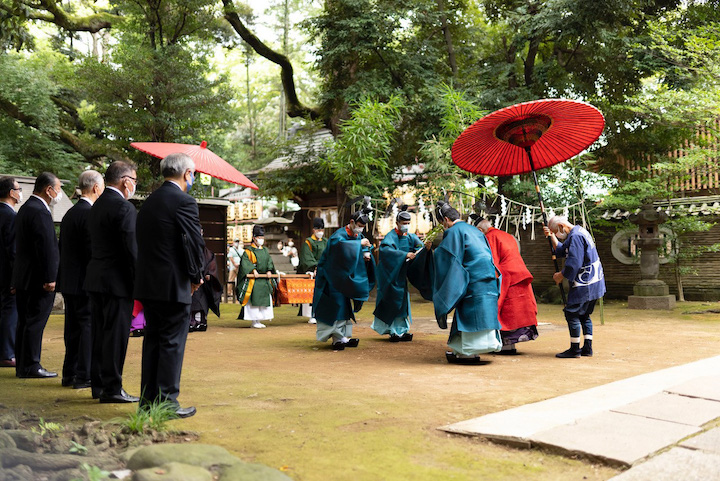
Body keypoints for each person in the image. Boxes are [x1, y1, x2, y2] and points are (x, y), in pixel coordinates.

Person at [135, 153, 205, 418]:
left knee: (153, 340)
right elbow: (194, 243)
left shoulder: (148, 202)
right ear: (187, 173)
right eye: (193, 173)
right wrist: (197, 276)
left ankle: (147, 401)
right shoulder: (184, 201)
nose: (194, 178)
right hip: (173, 283)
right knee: (173, 342)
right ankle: (166, 402)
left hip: (149, 283)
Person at [84, 161, 139, 403]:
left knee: (99, 334)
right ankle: (113, 388)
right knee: (116, 336)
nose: (135, 185)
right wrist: (140, 280)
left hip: (96, 278)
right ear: (126, 180)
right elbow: (132, 250)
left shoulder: (96, 206)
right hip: (117, 282)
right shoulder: (123, 208)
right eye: (135, 181)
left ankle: (98, 385)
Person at [432, 201, 501, 364]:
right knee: (475, 312)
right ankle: (461, 349)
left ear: (446, 220)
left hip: (473, 278)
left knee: (469, 312)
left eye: (442, 222)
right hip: (489, 276)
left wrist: (432, 255)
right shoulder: (474, 230)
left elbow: (448, 257)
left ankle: (468, 353)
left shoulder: (454, 231)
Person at [58, 171, 104, 389]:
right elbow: (91, 250)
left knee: (73, 327)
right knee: (86, 327)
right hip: (85, 280)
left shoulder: (70, 213)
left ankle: (69, 372)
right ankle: (84, 374)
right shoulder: (89, 214)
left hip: (69, 280)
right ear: (95, 188)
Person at [12, 172, 61, 378]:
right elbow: (46, 248)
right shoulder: (40, 211)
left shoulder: (25, 209)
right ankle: (31, 364)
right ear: (48, 189)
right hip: (37, 278)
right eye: (58, 188)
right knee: (35, 322)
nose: (59, 193)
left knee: (24, 321)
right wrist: (50, 277)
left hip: (24, 276)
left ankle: (23, 364)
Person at [312, 207, 375, 350]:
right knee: (335, 307)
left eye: (362, 228)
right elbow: (340, 247)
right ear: (352, 222)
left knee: (345, 307)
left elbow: (361, 249)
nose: (360, 230)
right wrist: (359, 245)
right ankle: (336, 338)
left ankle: (344, 336)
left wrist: (366, 253)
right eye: (359, 226)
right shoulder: (338, 236)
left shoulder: (356, 236)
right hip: (331, 278)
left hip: (344, 279)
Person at [543, 216, 606, 358]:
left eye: (556, 231)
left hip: (585, 283)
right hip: (595, 282)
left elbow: (574, 263)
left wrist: (561, 275)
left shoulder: (576, 236)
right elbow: (560, 250)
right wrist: (551, 236)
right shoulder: (580, 231)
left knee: (572, 313)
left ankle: (575, 349)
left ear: (561, 225)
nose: (557, 234)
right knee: (584, 314)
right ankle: (587, 348)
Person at [477, 219, 538, 355]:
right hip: (520, 271)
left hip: (507, 275)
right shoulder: (506, 235)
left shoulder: (490, 237)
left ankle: (505, 346)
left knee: (506, 311)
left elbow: (492, 260)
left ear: (481, 230)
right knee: (518, 310)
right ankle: (511, 346)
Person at [372, 209, 429, 342]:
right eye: (404, 223)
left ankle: (401, 331)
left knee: (402, 303)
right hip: (390, 276)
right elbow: (386, 251)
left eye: (408, 223)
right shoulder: (390, 236)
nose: (406, 225)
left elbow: (418, 246)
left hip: (401, 275)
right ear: (397, 223)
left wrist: (425, 247)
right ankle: (393, 331)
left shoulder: (410, 236)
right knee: (392, 301)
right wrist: (404, 255)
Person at [237, 225, 276, 329]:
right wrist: (252, 270)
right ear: (254, 238)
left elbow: (269, 261)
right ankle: (254, 320)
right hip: (253, 280)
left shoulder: (265, 250)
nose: (261, 240)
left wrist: (269, 270)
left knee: (264, 299)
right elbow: (245, 263)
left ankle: (260, 319)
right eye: (259, 237)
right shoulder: (248, 251)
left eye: (262, 237)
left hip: (263, 279)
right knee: (253, 299)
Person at [0, 177, 20, 368]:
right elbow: (13, 250)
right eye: (17, 189)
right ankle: (7, 352)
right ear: (11, 193)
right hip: (6, 271)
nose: (19, 192)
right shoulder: (11, 216)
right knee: (10, 310)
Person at [297, 217, 327, 324]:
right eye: (318, 230)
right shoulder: (308, 242)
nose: (320, 232)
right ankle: (312, 315)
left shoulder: (326, 241)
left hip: (324, 271)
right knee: (312, 294)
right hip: (311, 271)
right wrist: (315, 267)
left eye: (322, 230)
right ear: (314, 230)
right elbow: (306, 258)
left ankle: (323, 314)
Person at [190, 242, 222, 332]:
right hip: (191, 281)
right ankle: (191, 322)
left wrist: (209, 274)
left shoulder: (207, 252)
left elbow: (212, 264)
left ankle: (201, 322)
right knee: (191, 303)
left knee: (202, 303)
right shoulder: (188, 249)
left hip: (203, 282)